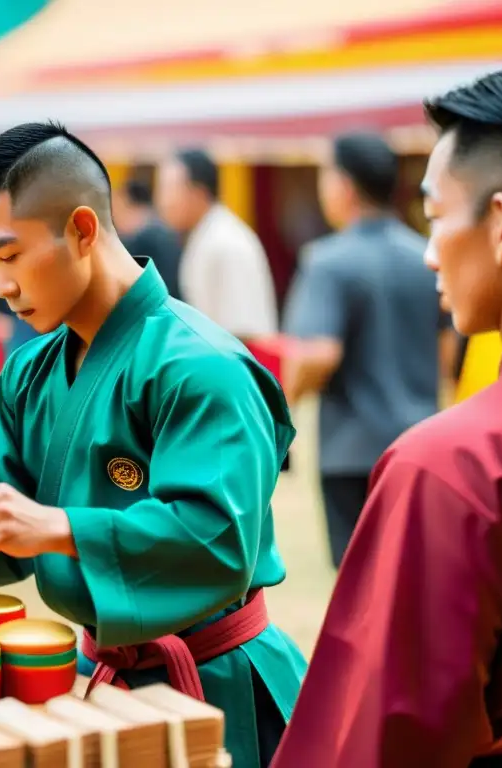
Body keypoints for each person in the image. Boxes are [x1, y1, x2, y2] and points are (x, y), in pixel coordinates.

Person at [0, 121, 306, 768]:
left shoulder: (201, 365)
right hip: (98, 679)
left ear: (83, 230)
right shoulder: (34, 368)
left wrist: (62, 529)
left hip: (214, 688)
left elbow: (215, 536)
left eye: (9, 257)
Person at [271, 64, 502, 768]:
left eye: (435, 215)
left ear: (501, 224)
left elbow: (388, 738)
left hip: (379, 450)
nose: (430, 250)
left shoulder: (458, 467)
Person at [281, 132, 450, 568]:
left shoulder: (329, 261)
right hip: (421, 442)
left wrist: (283, 406)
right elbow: (448, 350)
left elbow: (318, 353)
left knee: (361, 585)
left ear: (344, 184)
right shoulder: (425, 256)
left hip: (351, 455)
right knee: (414, 575)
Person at [156, 148, 278, 342]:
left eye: (169, 189)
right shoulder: (206, 234)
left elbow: (242, 332)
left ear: (199, 192)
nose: (162, 202)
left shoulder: (224, 242)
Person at [112, 177, 182, 298]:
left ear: (130, 205)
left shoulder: (143, 238)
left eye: (118, 209)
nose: (115, 218)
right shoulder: (163, 227)